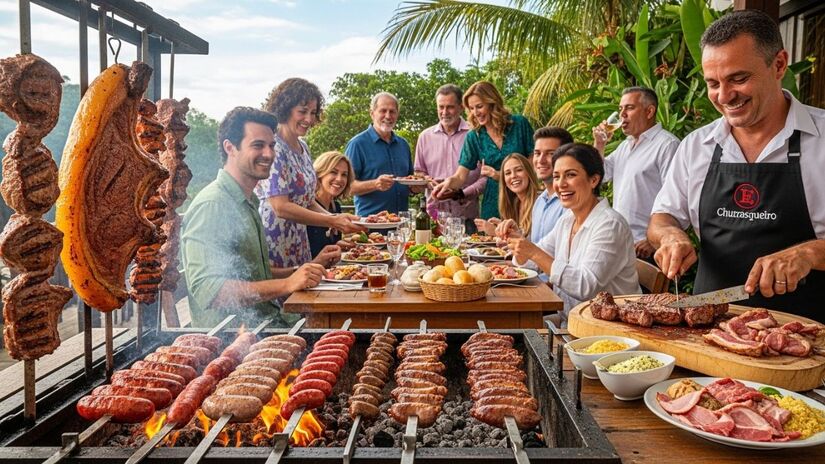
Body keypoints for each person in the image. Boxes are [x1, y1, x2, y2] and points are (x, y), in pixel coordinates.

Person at [648, 10, 825, 321]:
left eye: (739, 79)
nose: (724, 96)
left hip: (808, 340)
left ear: (779, 65)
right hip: (710, 332)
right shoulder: (696, 146)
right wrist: (670, 236)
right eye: (713, 83)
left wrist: (807, 254)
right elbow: (662, 217)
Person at [181, 107, 339, 327]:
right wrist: (286, 285)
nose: (268, 154)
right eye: (257, 145)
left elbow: (254, 272)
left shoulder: (248, 201)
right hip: (233, 341)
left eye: (272, 145)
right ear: (230, 148)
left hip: (267, 323)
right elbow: (209, 292)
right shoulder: (213, 205)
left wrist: (305, 268)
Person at [499, 143, 640, 325]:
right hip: (569, 320)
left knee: (509, 330)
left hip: (606, 330)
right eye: (557, 176)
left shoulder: (610, 225)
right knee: (502, 327)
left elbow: (584, 286)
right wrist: (518, 241)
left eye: (571, 175)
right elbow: (532, 263)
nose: (561, 184)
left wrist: (532, 251)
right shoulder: (568, 219)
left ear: (593, 180)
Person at [256, 78, 362, 269]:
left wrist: (336, 220)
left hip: (299, 239)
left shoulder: (303, 146)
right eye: (303, 112)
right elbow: (280, 206)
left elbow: (306, 198)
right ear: (286, 108)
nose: (309, 119)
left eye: (313, 113)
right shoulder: (274, 147)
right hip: (276, 241)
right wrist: (332, 220)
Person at [593, 87, 679, 259]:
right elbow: (599, 175)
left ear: (649, 111)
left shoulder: (667, 145)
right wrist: (600, 144)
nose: (622, 114)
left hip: (645, 247)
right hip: (620, 244)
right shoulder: (625, 145)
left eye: (629, 108)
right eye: (620, 109)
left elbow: (676, 197)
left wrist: (654, 239)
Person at [432, 81, 534, 219]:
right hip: (494, 201)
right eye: (471, 108)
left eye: (479, 106)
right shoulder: (474, 136)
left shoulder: (519, 124)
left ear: (493, 103)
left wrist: (498, 175)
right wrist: (448, 183)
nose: (475, 113)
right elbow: (461, 176)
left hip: (525, 198)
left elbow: (533, 164)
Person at [414, 84, 485, 230]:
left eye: (450, 107)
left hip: (468, 218)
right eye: (441, 107)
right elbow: (419, 173)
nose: (444, 112)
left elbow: (485, 176)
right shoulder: (425, 137)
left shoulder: (476, 135)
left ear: (460, 107)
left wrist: (461, 193)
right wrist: (429, 182)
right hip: (434, 218)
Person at [346, 92, 423, 216]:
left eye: (392, 111)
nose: (388, 116)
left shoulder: (403, 145)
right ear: (372, 113)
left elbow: (408, 182)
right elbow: (347, 188)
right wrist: (375, 184)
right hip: (370, 225)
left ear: (397, 114)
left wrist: (415, 188)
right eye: (383, 111)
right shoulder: (357, 144)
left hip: (401, 224)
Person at [474, 153, 541, 238]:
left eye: (519, 170)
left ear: (529, 173)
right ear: (504, 181)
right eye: (508, 173)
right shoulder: (514, 203)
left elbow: (534, 243)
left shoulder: (540, 202)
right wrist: (502, 227)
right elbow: (519, 236)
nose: (513, 176)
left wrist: (496, 232)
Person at [307, 151, 357, 257]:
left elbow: (328, 246)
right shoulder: (307, 207)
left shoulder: (336, 206)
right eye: (333, 172)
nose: (339, 179)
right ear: (320, 174)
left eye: (344, 175)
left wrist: (339, 246)